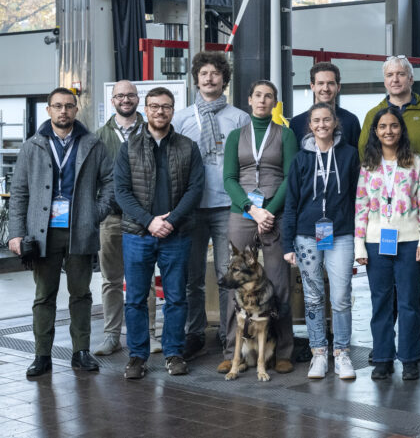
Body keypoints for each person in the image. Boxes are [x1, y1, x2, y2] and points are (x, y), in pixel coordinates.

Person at [8, 88, 114, 377]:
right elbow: (18, 192)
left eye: (68, 106)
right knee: (44, 295)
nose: (63, 111)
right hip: (42, 234)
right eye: (57, 106)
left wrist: (94, 214)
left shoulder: (92, 144)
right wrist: (16, 233)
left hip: (79, 230)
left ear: (76, 110)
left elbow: (111, 183)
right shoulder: (32, 146)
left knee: (80, 294)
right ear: (48, 110)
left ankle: (81, 352)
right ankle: (42, 355)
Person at [359, 55, 420, 359]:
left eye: (401, 74)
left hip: (417, 212)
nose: (395, 79)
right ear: (385, 80)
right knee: (384, 287)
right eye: (390, 75)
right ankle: (384, 346)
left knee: (414, 283)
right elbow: (365, 162)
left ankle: (414, 343)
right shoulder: (374, 113)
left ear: (410, 78)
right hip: (381, 219)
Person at [114, 87, 205, 380]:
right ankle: (137, 356)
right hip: (138, 235)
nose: (159, 112)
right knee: (136, 299)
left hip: (176, 235)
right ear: (146, 108)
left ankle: (174, 353)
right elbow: (122, 192)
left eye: (165, 107)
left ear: (173, 109)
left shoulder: (188, 146)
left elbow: (195, 189)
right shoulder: (128, 148)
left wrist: (172, 221)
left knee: (177, 298)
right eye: (154, 106)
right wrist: (149, 221)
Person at [173, 51, 250, 360]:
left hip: (226, 207)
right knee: (191, 277)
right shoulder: (180, 118)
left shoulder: (239, 118)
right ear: (196, 79)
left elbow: (246, 164)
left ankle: (228, 334)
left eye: (215, 73)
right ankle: (194, 332)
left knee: (226, 273)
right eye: (203, 73)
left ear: (224, 79)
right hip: (190, 208)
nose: (209, 78)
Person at [220, 80, 298, 375]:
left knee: (279, 282)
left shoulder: (286, 135)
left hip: (275, 212)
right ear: (249, 100)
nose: (263, 101)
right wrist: (252, 209)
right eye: (258, 95)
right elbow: (229, 179)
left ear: (275, 103)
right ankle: (233, 352)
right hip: (243, 212)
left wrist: (269, 212)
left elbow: (291, 178)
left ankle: (283, 350)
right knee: (234, 282)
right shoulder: (235, 136)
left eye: (269, 97)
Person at [355, 107, 420, 381]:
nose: (388, 131)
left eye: (394, 126)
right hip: (377, 243)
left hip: (410, 241)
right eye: (383, 127)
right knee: (381, 303)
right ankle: (383, 358)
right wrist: (360, 246)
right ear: (375, 132)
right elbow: (361, 206)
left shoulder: (417, 162)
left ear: (401, 129)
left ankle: (410, 358)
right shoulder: (368, 166)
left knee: (410, 302)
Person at [282, 102, 361, 380]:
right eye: (316, 120)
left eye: (327, 120)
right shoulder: (300, 159)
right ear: (310, 125)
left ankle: (341, 353)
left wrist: (359, 236)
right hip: (306, 235)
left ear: (335, 123)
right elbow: (291, 203)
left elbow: (357, 198)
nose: (322, 125)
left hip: (340, 234)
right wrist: (287, 244)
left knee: (340, 297)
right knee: (313, 297)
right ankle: (318, 353)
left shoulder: (350, 155)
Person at [93, 80, 158, 357]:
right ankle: (111, 335)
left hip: (144, 218)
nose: (125, 99)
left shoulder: (152, 131)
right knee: (110, 279)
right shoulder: (98, 136)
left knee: (143, 278)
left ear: (137, 98)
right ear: (113, 100)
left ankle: (150, 333)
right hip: (111, 218)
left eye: (130, 95)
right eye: (120, 95)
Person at [291, 62, 362, 147]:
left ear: (338, 87)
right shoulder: (296, 123)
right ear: (312, 86)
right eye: (320, 83)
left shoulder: (351, 120)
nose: (325, 88)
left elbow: (357, 157)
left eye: (331, 83)